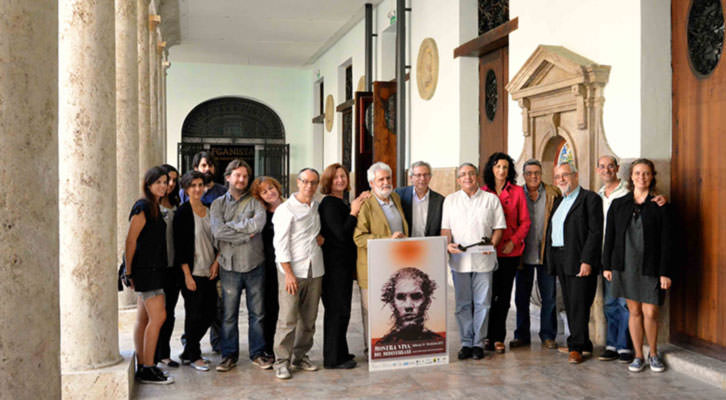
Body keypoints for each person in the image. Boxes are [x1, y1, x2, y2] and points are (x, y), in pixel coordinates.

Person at [603, 159, 672, 373]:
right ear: (631, 177)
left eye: (646, 173)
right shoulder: (618, 204)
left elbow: (667, 241)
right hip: (625, 266)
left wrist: (665, 272)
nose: (641, 177)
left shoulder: (660, 205)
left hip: (651, 267)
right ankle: (638, 355)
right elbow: (610, 237)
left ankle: (653, 353)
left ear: (652, 177)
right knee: (633, 311)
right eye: (637, 173)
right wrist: (607, 266)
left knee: (651, 311)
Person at [210, 159, 272, 372]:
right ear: (228, 177)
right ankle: (229, 356)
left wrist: (232, 229)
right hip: (229, 267)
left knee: (258, 314)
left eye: (245, 176)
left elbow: (259, 224)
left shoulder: (256, 202)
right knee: (228, 315)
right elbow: (218, 232)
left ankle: (257, 353)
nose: (242, 179)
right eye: (237, 175)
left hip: (255, 265)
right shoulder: (218, 204)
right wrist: (245, 233)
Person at [442, 162, 506, 360]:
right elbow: (446, 230)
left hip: (484, 261)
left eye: (471, 173)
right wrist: (448, 245)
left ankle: (478, 342)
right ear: (458, 179)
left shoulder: (491, 199)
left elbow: (499, 228)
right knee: (462, 304)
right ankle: (466, 343)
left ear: (477, 177)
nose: (467, 177)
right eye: (463, 175)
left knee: (483, 303)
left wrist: (492, 245)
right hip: (460, 261)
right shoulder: (450, 201)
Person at [545, 161, 602, 364]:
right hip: (561, 259)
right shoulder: (560, 201)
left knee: (579, 303)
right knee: (570, 303)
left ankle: (576, 347)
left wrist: (587, 261)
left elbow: (595, 233)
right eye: (558, 176)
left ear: (576, 176)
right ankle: (581, 343)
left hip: (579, 259)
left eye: (565, 175)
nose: (561, 179)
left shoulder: (590, 199)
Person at [272, 168, 325, 380]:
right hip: (292, 272)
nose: (309, 186)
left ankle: (300, 356)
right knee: (287, 319)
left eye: (314, 183)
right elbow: (280, 245)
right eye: (305, 182)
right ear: (298, 183)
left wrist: (320, 238)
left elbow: (312, 234)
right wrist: (289, 274)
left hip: (315, 270)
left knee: (309, 319)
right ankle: (281, 362)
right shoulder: (285, 210)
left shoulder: (315, 206)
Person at [124, 166, 174, 384]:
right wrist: (128, 271)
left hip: (152, 269)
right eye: (159, 182)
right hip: (147, 271)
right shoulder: (143, 206)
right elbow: (131, 240)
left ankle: (144, 364)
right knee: (159, 317)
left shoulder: (154, 205)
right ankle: (148, 367)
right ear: (148, 184)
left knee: (143, 318)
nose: (164, 186)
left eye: (166, 182)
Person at [318, 163, 371, 369]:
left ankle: (340, 352)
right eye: (335, 177)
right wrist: (354, 212)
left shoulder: (341, 202)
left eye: (343, 176)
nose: (340, 180)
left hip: (343, 266)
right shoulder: (329, 203)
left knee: (343, 311)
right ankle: (332, 359)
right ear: (328, 181)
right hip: (334, 267)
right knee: (336, 312)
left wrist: (354, 205)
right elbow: (341, 235)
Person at [353, 162, 409, 352]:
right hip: (372, 266)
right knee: (372, 311)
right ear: (371, 182)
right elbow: (359, 238)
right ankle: (373, 349)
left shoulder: (395, 197)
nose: (386, 182)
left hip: (395, 265)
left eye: (388, 178)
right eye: (381, 179)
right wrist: (388, 239)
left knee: (392, 309)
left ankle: (392, 347)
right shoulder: (365, 204)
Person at [481, 153, 531, 354]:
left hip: (508, 252)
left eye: (505, 167)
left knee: (503, 297)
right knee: (487, 296)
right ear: (491, 169)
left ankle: (498, 337)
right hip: (486, 251)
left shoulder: (518, 192)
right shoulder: (482, 192)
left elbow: (525, 222)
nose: (501, 171)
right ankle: (485, 336)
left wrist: (514, 241)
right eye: (498, 167)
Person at [512, 159, 561, 350]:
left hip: (546, 254)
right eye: (529, 173)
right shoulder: (516, 194)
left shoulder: (552, 193)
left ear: (542, 174)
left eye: (537, 173)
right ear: (523, 175)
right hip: (522, 254)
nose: (534, 176)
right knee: (521, 298)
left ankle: (548, 335)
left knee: (549, 297)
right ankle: (522, 335)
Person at [174, 171, 219, 371]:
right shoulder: (183, 212)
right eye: (193, 185)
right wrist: (186, 275)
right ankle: (194, 354)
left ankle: (188, 351)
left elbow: (218, 240)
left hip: (209, 269)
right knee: (194, 314)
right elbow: (179, 246)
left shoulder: (210, 210)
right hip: (192, 272)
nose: (197, 189)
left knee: (210, 313)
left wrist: (216, 262)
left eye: (200, 184)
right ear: (186, 189)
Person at [250, 176, 285, 358]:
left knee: (289, 311)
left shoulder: (290, 207)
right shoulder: (262, 215)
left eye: (271, 188)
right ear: (260, 197)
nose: (269, 193)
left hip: (290, 265)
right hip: (269, 267)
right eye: (264, 192)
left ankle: (289, 348)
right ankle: (269, 348)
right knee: (270, 308)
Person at [155, 164, 182, 369]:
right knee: (156, 314)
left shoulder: (176, 203)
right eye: (167, 180)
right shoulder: (150, 205)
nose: (170, 185)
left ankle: (163, 353)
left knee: (169, 312)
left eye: (173, 180)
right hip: (156, 268)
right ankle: (150, 354)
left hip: (174, 267)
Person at [378, 267, 442, 344]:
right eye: (401, 297)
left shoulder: (437, 342)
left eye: (416, 296)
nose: (408, 306)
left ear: (427, 302)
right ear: (392, 304)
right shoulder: (382, 346)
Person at [394, 161, 444, 237]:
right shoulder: (399, 194)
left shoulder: (440, 200)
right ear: (411, 178)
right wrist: (369, 193)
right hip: (405, 243)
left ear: (430, 177)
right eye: (418, 175)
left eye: (426, 175)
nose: (422, 178)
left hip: (429, 245)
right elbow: (382, 197)